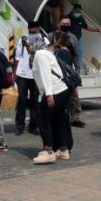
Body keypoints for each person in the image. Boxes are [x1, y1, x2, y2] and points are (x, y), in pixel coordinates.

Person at [31, 33, 72, 164]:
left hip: (54, 90)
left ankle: (48, 151)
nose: (28, 48)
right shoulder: (47, 53)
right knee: (59, 120)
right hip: (62, 89)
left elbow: (45, 74)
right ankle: (63, 149)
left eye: (29, 45)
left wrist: (49, 95)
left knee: (43, 119)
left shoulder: (40, 54)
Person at [48, 17, 85, 127]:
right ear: (59, 24)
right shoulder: (52, 35)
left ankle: (76, 118)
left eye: (68, 23)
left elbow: (76, 54)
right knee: (57, 94)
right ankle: (55, 117)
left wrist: (76, 70)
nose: (66, 25)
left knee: (74, 94)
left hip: (68, 70)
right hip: (55, 70)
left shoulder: (72, 37)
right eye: (64, 23)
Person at [13, 21, 48, 136]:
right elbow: (17, 57)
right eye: (31, 31)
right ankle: (20, 125)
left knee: (35, 101)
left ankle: (34, 126)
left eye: (35, 31)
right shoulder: (22, 40)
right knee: (22, 101)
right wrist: (14, 74)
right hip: (22, 74)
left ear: (38, 29)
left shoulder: (44, 40)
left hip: (36, 75)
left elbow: (48, 55)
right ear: (28, 30)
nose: (33, 33)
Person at [68, 3, 101, 72]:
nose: (78, 13)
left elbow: (86, 27)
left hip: (78, 40)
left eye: (79, 11)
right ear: (73, 10)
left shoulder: (80, 18)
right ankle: (70, 69)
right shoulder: (68, 17)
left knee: (80, 53)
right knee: (70, 55)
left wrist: (97, 30)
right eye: (77, 11)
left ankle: (77, 71)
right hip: (70, 40)